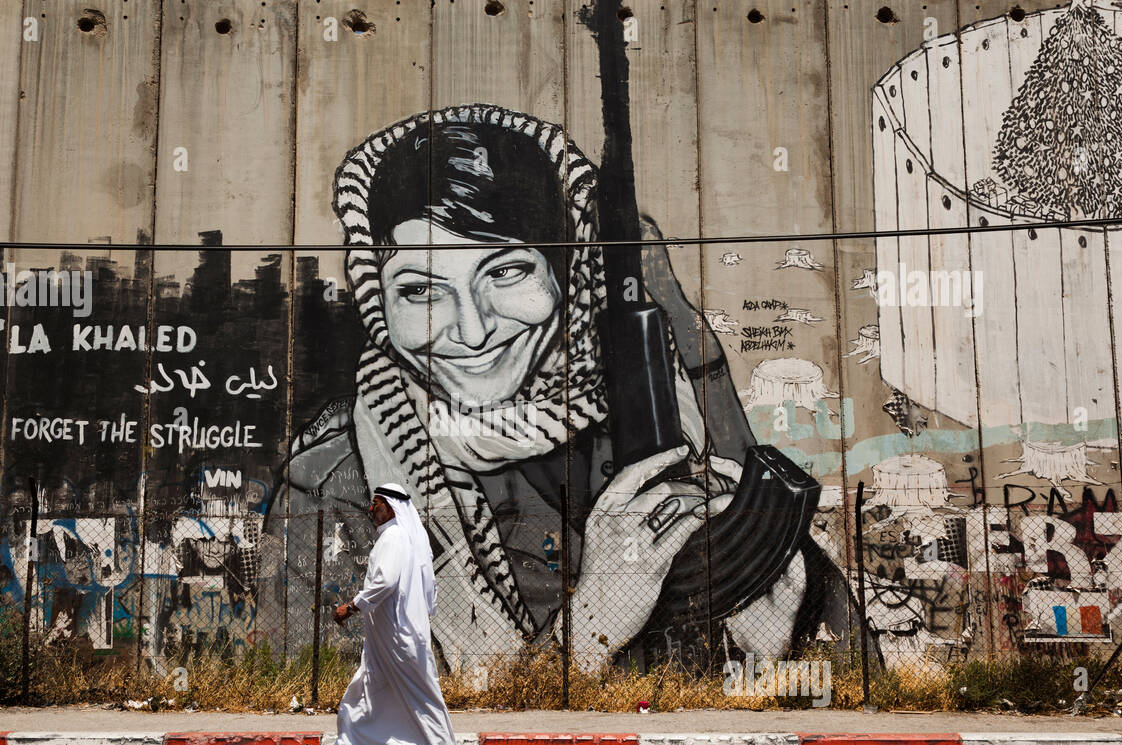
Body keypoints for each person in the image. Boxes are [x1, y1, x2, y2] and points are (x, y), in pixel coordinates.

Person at [269, 103, 851, 680]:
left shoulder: (668, 425)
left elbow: (844, 697)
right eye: (420, 290)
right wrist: (591, 624)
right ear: (378, 298)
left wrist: (773, 653)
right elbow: (340, 708)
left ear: (565, 274)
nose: (472, 332)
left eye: (505, 272)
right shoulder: (334, 487)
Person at [304, 483, 468, 745]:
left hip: (398, 638)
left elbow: (385, 582)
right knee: (364, 692)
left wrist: (352, 607)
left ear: (391, 507)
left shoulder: (394, 538)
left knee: (422, 698)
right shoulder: (402, 539)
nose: (370, 508)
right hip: (390, 638)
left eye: (376, 503)